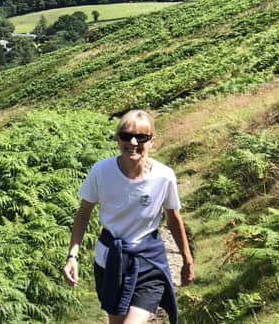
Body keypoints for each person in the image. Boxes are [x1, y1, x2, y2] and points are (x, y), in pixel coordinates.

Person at [62, 109, 194, 324]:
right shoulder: (101, 171)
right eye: (126, 136)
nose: (133, 142)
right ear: (117, 139)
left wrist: (187, 259)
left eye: (141, 137)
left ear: (152, 141)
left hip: (148, 260)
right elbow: (83, 214)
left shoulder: (164, 176)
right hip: (110, 261)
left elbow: (173, 219)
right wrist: (72, 256)